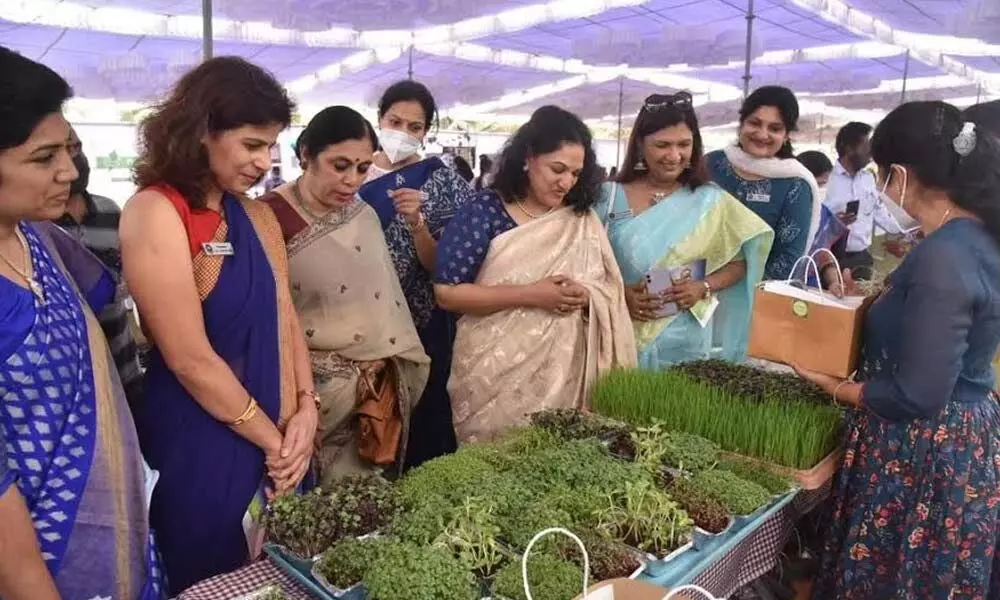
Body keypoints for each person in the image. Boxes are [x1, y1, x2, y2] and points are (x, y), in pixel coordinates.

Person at [120, 57, 317, 594]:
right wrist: (275, 441)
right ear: (203, 131)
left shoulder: (256, 216)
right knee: (212, 574)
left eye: (272, 145)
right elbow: (188, 357)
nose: (265, 161)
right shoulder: (157, 211)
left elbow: (286, 318)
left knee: (285, 573)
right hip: (204, 441)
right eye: (252, 144)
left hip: (279, 438)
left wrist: (306, 409)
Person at [794, 101, 1000, 599]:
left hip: (922, 449)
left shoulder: (945, 255)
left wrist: (840, 388)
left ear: (899, 175)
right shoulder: (972, 238)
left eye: (881, 175)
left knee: (894, 577)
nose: (882, 189)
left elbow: (919, 392)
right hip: (957, 436)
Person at [0, 46, 163, 600]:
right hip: (36, 567)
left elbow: (116, 312)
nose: (70, 171)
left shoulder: (38, 238)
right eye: (44, 158)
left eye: (67, 150)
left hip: (117, 536)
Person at [434, 106, 637, 443]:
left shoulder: (580, 219)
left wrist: (586, 295)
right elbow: (447, 293)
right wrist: (533, 294)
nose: (566, 182)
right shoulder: (486, 211)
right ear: (528, 158)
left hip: (568, 374)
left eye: (575, 173)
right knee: (493, 465)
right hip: (492, 374)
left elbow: (607, 287)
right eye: (557, 169)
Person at [260, 107, 429, 485]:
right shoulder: (268, 219)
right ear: (305, 154)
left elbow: (385, 301)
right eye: (340, 165)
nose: (352, 180)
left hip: (372, 399)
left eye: (362, 167)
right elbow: (265, 318)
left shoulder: (362, 213)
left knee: (361, 510)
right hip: (304, 401)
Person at [594, 92, 772, 368]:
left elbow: (740, 263)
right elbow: (582, 264)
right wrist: (620, 295)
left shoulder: (710, 200)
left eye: (684, 145)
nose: (674, 156)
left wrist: (702, 286)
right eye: (662, 145)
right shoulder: (608, 197)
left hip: (685, 340)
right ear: (640, 145)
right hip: (620, 332)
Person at [359, 80, 475, 469]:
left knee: (423, 417)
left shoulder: (441, 181)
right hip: (355, 322)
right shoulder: (353, 173)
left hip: (420, 322)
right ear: (379, 120)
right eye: (395, 122)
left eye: (415, 127)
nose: (404, 133)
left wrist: (417, 223)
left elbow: (444, 266)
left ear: (426, 131)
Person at [55, 127, 144, 408]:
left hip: (123, 363)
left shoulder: (109, 211)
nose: (73, 162)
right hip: (75, 380)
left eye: (76, 148)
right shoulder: (34, 225)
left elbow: (127, 283)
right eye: (59, 150)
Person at [706, 86, 819, 281]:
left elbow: (787, 261)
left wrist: (725, 286)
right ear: (741, 124)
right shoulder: (712, 163)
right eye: (754, 123)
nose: (762, 134)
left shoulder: (795, 184)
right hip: (692, 286)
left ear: (786, 136)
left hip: (755, 296)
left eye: (775, 129)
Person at [822, 122, 901, 282]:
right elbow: (814, 222)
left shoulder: (869, 179)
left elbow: (880, 213)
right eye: (867, 147)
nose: (870, 153)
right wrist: (834, 223)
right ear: (849, 148)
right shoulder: (826, 179)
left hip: (861, 258)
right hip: (830, 259)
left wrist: (908, 230)